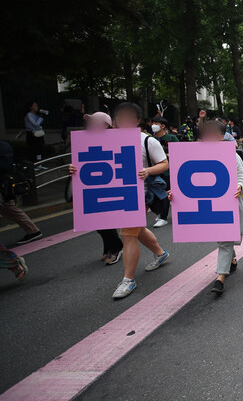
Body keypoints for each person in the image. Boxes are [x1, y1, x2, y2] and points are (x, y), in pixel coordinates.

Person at [166, 121, 243, 293]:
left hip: (227, 206)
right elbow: (184, 182)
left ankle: (220, 278)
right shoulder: (194, 156)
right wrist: (175, 194)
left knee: (225, 241)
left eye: (212, 134)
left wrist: (239, 187)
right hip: (207, 208)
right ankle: (231, 260)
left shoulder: (232, 156)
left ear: (222, 136)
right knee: (223, 240)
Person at [111, 102, 171, 299]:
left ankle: (128, 279)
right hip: (117, 193)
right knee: (137, 229)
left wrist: (147, 171)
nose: (123, 121)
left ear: (137, 120)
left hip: (139, 195)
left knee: (127, 233)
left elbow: (164, 164)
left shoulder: (148, 141)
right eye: (120, 117)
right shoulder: (107, 141)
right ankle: (160, 253)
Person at [69, 112, 123, 265]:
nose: (90, 125)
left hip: (109, 183)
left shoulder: (115, 140)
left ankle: (116, 247)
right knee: (97, 221)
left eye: (94, 122)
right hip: (93, 183)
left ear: (105, 125)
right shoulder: (85, 140)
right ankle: (108, 247)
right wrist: (73, 168)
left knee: (106, 219)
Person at [0, 140, 43, 244]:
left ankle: (33, 231)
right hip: (5, 184)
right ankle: (33, 231)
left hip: (3, 183)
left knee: (9, 207)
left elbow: (5, 165)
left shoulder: (3, 146)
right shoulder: (4, 145)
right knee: (8, 208)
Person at [150, 116, 178, 228]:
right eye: (153, 122)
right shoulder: (150, 139)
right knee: (151, 194)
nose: (154, 125)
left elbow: (180, 152)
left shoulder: (171, 138)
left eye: (156, 123)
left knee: (165, 193)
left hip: (169, 171)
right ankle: (159, 212)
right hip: (153, 170)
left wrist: (167, 155)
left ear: (163, 126)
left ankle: (163, 217)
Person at [24, 100, 47, 167]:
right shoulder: (29, 115)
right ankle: (33, 165)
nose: (36, 107)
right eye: (35, 105)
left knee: (39, 148)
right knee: (33, 149)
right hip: (32, 134)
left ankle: (39, 164)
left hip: (38, 134)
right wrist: (41, 118)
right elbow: (35, 124)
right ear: (31, 107)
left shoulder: (36, 115)